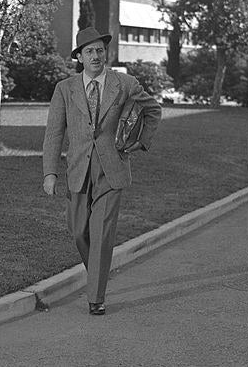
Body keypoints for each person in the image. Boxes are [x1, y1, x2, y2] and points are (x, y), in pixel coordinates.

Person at [42, 26, 162, 315]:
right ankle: (98, 270)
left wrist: (141, 142)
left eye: (100, 50)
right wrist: (50, 172)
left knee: (101, 232)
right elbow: (54, 133)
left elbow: (153, 110)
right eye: (89, 51)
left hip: (112, 168)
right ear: (80, 58)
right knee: (78, 231)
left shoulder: (125, 83)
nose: (96, 56)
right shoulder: (65, 88)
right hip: (78, 170)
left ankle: (95, 297)